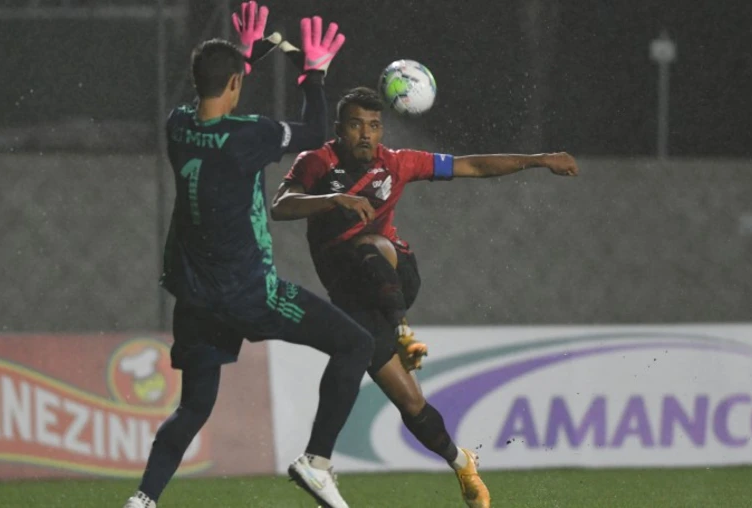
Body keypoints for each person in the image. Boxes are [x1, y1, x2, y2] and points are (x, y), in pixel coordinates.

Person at [271, 86, 580, 508]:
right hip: (354, 300)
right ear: (340, 129)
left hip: (395, 276)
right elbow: (280, 205)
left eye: (374, 126)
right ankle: (461, 462)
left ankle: (400, 331)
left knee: (371, 244)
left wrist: (538, 160)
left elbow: (471, 166)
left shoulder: (397, 163)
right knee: (410, 402)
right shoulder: (317, 162)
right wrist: (332, 200)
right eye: (357, 124)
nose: (366, 134)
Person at [124, 5, 372, 508]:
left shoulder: (177, 127)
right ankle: (317, 462)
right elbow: (315, 132)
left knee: (193, 407)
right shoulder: (248, 137)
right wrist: (314, 73)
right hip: (250, 295)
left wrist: (246, 58)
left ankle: (143, 500)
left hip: (194, 299)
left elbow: (217, 101)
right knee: (356, 345)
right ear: (236, 83)